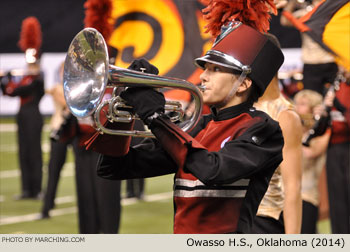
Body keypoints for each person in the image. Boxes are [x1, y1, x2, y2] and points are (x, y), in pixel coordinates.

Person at [94, 4, 286, 232]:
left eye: (215, 70)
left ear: (243, 83)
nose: (203, 76)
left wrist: (156, 117)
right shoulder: (196, 126)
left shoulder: (263, 129)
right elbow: (112, 168)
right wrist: (126, 108)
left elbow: (213, 170)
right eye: (206, 68)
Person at [251, 34, 303, 234]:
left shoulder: (284, 116)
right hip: (231, 221)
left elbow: (293, 188)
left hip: (264, 221)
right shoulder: (239, 106)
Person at [0, 17, 44, 200]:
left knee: (34, 152)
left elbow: (26, 88)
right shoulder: (26, 77)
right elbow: (9, 92)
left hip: (33, 114)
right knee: (23, 151)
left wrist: (13, 82)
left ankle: (37, 189)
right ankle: (27, 189)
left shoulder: (37, 78)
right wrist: (4, 79)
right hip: (22, 115)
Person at [280, 0, 338, 95]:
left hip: (331, 60)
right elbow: (284, 21)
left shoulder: (333, 12)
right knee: (310, 100)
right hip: (311, 62)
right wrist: (292, 2)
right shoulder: (305, 14)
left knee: (336, 100)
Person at [293, 89, 331, 233]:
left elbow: (311, 153)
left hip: (307, 196)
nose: (297, 107)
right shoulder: (292, 129)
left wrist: (317, 121)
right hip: (285, 195)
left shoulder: (321, 132)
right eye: (296, 103)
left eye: (302, 104)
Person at [40, 63, 72, 218]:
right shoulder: (58, 88)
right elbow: (67, 103)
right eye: (63, 71)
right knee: (54, 169)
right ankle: (46, 207)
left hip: (75, 130)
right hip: (59, 129)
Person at [323, 69, 350, 233]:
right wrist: (324, 111)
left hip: (348, 146)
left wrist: (341, 109)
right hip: (333, 147)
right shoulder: (333, 86)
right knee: (336, 199)